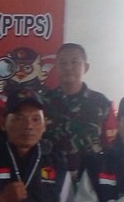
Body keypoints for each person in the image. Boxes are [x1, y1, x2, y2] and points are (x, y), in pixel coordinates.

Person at [43, 43, 117, 174]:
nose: (68, 67)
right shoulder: (43, 102)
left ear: (86, 67)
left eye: (74, 62)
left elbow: (111, 144)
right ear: (56, 67)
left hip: (90, 176)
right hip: (51, 175)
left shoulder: (101, 103)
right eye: (63, 63)